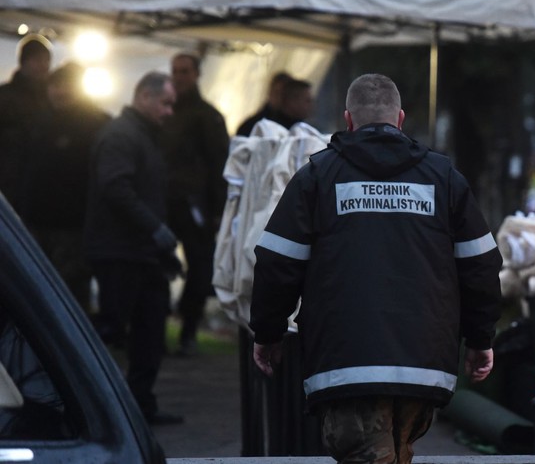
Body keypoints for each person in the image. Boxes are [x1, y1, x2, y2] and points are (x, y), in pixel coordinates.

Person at [250, 73, 502, 464]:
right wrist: (480, 337)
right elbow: (480, 265)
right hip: (424, 365)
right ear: (400, 119)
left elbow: (277, 263)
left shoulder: (317, 177)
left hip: (348, 365)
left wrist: (268, 332)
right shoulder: (443, 178)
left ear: (348, 121)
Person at [84, 71, 183, 425]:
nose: (170, 111)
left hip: (140, 252)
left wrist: (161, 246)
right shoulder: (122, 136)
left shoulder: (142, 136)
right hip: (119, 251)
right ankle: (83, 404)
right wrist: (154, 229)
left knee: (149, 333)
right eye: (165, 103)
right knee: (111, 328)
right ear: (144, 96)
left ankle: (140, 406)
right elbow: (116, 189)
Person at [22, 62, 111, 311]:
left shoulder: (96, 125)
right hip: (37, 221)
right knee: (33, 286)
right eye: (55, 85)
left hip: (74, 226)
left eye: (66, 86)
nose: (60, 92)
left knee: (70, 289)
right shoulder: (39, 121)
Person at [162, 52, 230, 356]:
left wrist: (217, 209)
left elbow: (219, 163)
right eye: (175, 71)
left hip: (196, 203)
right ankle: (159, 326)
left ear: (196, 74)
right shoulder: (165, 113)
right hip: (166, 202)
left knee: (200, 266)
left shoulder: (207, 116)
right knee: (157, 265)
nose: (179, 76)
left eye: (185, 71)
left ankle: (189, 327)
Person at [0, 34, 52, 209]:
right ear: (24, 62)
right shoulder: (5, 97)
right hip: (10, 180)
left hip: (40, 182)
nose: (44, 66)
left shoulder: (52, 98)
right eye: (38, 60)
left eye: (46, 60)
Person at [236, 71, 293, 136]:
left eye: (286, 94)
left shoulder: (296, 125)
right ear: (270, 92)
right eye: (278, 93)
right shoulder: (252, 125)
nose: (281, 98)